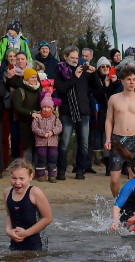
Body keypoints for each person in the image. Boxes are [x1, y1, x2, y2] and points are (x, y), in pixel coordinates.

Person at [105, 65, 135, 197]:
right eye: (129, 79)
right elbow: (109, 120)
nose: (132, 82)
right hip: (117, 140)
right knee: (114, 179)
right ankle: (116, 201)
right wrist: (108, 139)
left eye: (134, 79)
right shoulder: (114, 98)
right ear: (122, 81)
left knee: (134, 177)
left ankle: (130, 203)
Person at [54, 47, 92, 180]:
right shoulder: (60, 70)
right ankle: (61, 171)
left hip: (84, 111)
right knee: (64, 142)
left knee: (84, 143)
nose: (75, 60)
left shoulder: (83, 71)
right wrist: (75, 77)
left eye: (77, 58)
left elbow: (95, 88)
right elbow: (61, 89)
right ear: (65, 57)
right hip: (67, 112)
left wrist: (95, 74)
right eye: (72, 57)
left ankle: (80, 170)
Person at [3, 159, 52, 251]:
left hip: (37, 242)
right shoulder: (7, 192)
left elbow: (47, 218)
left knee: (33, 260)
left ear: (30, 176)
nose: (17, 182)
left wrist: (26, 233)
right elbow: (9, 215)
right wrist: (8, 231)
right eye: (14, 178)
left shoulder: (35, 193)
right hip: (16, 240)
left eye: (21, 179)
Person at [30, 94, 62, 182]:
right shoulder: (38, 117)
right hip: (41, 142)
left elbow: (59, 127)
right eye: (44, 107)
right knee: (41, 158)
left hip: (53, 142)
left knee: (53, 158)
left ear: (52, 108)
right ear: (41, 107)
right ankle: (40, 174)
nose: (46, 109)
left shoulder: (55, 117)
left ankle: (52, 175)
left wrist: (52, 132)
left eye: (48, 107)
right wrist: (43, 133)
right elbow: (34, 128)